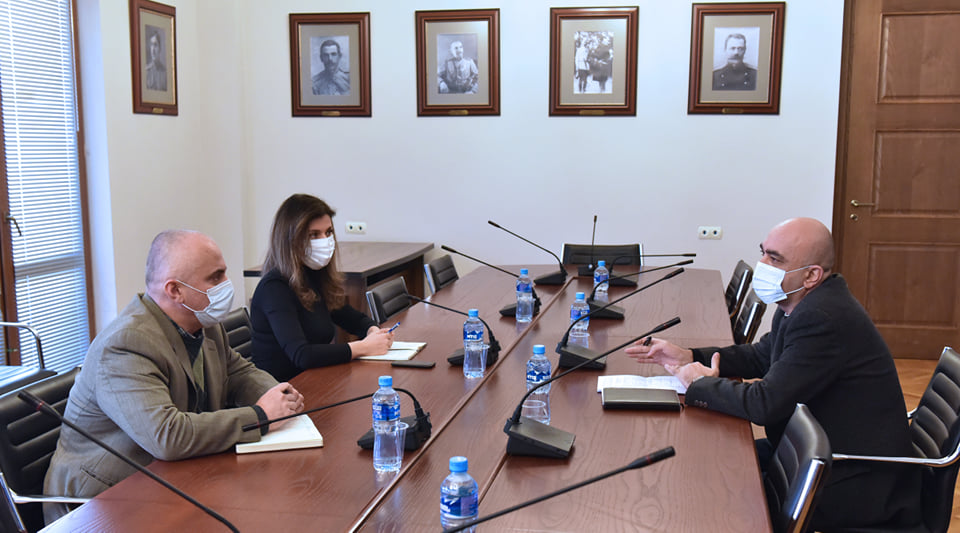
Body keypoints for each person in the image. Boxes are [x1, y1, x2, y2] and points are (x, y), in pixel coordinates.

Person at [625, 218, 921, 530]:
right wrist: (689, 355)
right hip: (816, 452)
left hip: (855, 479)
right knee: (710, 466)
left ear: (811, 275)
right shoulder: (801, 303)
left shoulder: (823, 318)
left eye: (775, 259)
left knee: (722, 498)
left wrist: (700, 383)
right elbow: (761, 355)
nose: (763, 264)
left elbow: (765, 404)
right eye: (763, 253)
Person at [44, 230, 304, 522]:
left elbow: (237, 371)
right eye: (215, 277)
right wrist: (261, 416)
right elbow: (167, 436)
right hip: (99, 503)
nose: (226, 284)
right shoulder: (125, 344)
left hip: (173, 476)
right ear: (175, 290)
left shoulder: (204, 323)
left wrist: (280, 396)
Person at [250, 194, 394, 382]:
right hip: (282, 389)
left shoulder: (314, 276)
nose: (324, 240)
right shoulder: (274, 288)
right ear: (290, 240)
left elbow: (353, 318)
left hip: (315, 379)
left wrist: (372, 331)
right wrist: (363, 347)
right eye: (313, 235)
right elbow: (302, 355)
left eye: (328, 232)